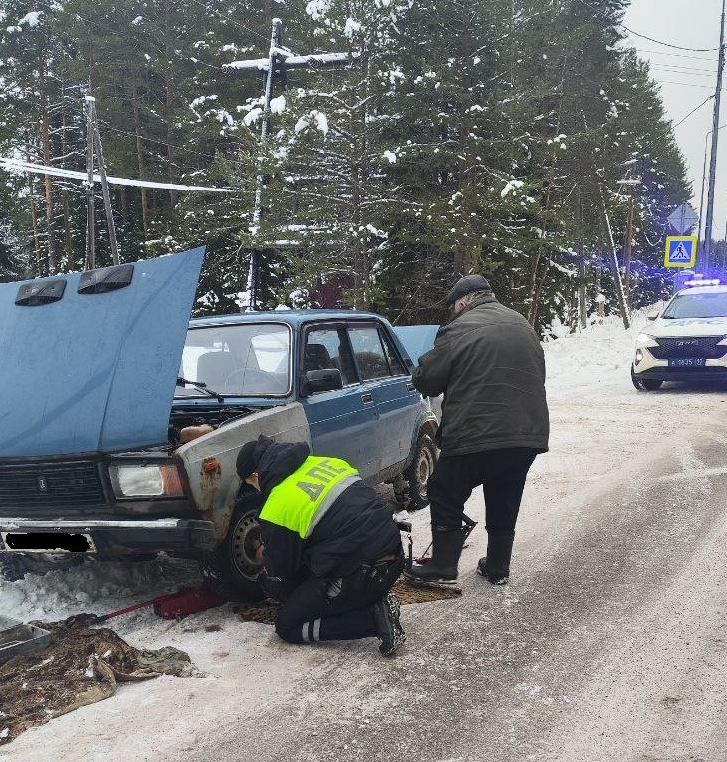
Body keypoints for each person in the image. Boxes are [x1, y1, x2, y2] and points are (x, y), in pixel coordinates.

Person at [407, 274, 549, 588]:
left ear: (464, 301)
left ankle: (443, 564)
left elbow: (428, 380)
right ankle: (498, 566)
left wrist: (422, 366)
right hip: (526, 432)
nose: (455, 312)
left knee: (444, 490)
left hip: (475, 431)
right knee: (505, 492)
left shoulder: (457, 329)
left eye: (455, 307)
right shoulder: (522, 324)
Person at [235, 435, 406, 656]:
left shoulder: (279, 503)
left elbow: (283, 569)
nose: (256, 489)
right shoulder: (325, 462)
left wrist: (266, 554)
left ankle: (374, 617)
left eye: (251, 484)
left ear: (256, 475)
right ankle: (366, 600)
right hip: (393, 554)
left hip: (365, 573)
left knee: (287, 625)